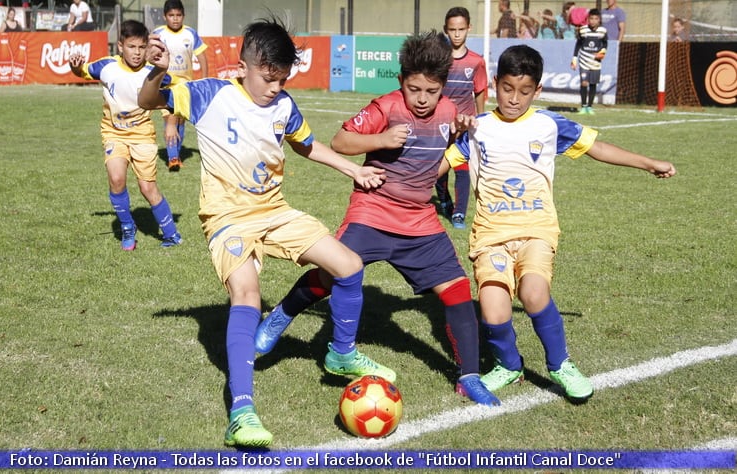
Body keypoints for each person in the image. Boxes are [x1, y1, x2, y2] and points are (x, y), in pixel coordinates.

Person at [138, 16, 394, 448]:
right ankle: (242, 412)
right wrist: (157, 69)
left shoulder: (284, 105)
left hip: (274, 210)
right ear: (244, 67)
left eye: (282, 79)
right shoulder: (209, 94)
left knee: (348, 266)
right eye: (268, 78)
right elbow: (149, 100)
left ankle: (340, 355)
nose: (275, 87)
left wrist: (354, 169)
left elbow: (306, 143)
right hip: (227, 218)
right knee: (246, 293)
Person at [251, 31, 500, 408]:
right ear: (401, 81)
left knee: (458, 291)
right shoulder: (385, 107)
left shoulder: (450, 111)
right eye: (414, 88)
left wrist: (462, 133)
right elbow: (340, 142)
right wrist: (381, 139)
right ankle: (279, 316)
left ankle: (468, 377)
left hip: (420, 221)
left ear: (443, 87)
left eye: (430, 91)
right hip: (374, 211)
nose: (421, 98)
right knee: (332, 274)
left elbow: (447, 151)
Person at [444, 44, 676, 401]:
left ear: (537, 90)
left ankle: (560, 364)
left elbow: (598, 148)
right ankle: (508, 365)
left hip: (537, 229)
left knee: (533, 293)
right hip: (490, 235)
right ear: (494, 85)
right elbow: (439, 162)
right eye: (507, 89)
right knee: (492, 307)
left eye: (524, 91)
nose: (514, 99)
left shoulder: (549, 124)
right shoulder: (478, 128)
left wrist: (648, 163)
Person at [69, 20, 183, 251]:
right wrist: (74, 66)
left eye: (142, 47)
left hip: (142, 135)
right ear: (120, 46)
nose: (137, 53)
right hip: (114, 133)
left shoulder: (155, 72)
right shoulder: (106, 67)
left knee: (147, 188)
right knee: (117, 178)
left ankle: (172, 234)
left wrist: (171, 123)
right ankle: (127, 228)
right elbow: (81, 71)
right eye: (132, 47)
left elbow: (178, 95)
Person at [435, 6, 487, 229]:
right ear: (446, 30)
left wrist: (480, 119)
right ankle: (444, 199)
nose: (457, 34)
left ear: (469, 29)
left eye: (461, 29)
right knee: (438, 168)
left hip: (464, 126)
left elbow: (480, 91)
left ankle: (458, 213)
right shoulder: (439, 59)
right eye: (452, 30)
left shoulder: (476, 61)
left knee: (462, 167)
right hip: (441, 125)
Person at [152, 0, 208, 172]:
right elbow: (151, 56)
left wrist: (204, 80)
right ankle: (173, 158)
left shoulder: (191, 34)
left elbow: (203, 57)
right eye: (171, 15)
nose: (175, 19)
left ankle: (176, 151)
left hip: (185, 85)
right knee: (169, 118)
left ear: (183, 16)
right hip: (165, 84)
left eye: (178, 15)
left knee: (181, 121)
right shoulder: (158, 34)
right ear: (165, 16)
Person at [571, 9, 608, 115]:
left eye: (596, 18)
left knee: (593, 84)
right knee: (584, 83)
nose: (593, 21)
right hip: (584, 61)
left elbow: (605, 44)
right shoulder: (583, 30)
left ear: (599, 20)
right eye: (591, 18)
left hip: (595, 62)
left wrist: (602, 52)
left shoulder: (603, 31)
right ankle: (583, 106)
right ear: (588, 19)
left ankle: (590, 107)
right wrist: (574, 58)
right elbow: (578, 44)